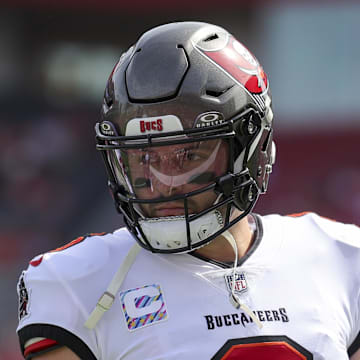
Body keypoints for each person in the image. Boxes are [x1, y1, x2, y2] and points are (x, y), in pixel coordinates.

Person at [16, 21, 360, 360]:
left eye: (188, 155)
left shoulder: (342, 258)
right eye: (145, 157)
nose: (164, 182)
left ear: (250, 148)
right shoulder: (77, 283)